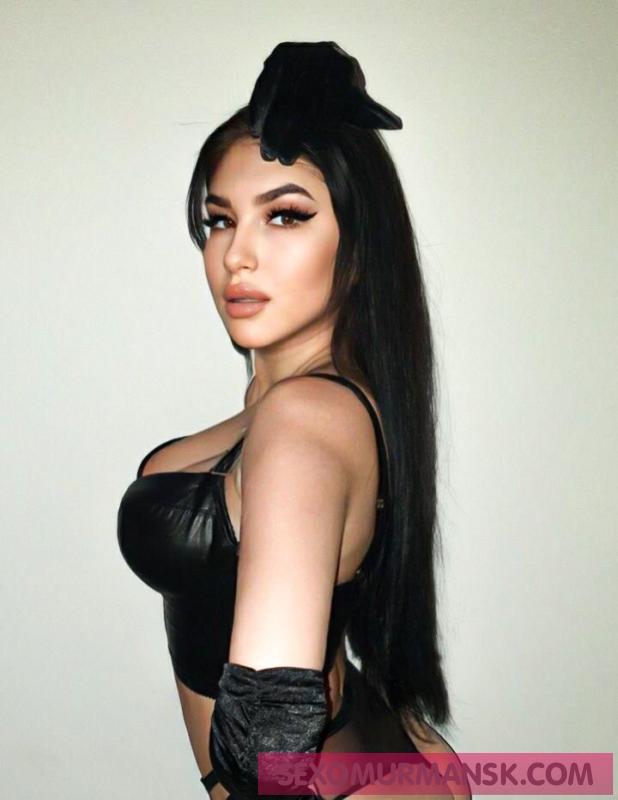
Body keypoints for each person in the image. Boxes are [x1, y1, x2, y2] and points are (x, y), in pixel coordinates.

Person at [117, 41, 470, 800]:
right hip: (376, 759)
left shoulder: (304, 418)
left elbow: (268, 746)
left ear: (359, 244)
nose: (236, 256)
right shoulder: (290, 401)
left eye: (284, 216)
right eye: (219, 220)